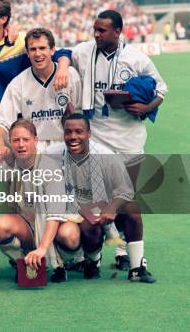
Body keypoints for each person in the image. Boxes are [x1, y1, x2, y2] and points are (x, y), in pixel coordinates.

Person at [72, 10, 167, 269]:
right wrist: (59, 64)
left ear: (117, 32)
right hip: (98, 135)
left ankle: (124, 250)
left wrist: (147, 108)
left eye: (102, 30)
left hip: (129, 138)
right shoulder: (83, 51)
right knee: (100, 198)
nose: (96, 34)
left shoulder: (136, 58)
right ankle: (106, 249)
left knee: (125, 199)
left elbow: (161, 89)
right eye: (95, 29)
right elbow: (62, 56)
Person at [43, 113, 155, 283]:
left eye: (79, 132)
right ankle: (92, 260)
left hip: (104, 208)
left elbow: (126, 190)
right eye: (68, 132)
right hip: (73, 214)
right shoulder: (51, 154)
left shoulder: (106, 156)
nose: (73, 137)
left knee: (132, 208)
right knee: (90, 226)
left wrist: (112, 207)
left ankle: (137, 267)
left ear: (89, 133)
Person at [0, 0, 71, 153]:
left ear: (3, 19)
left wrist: (62, 67)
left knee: (16, 172)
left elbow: (59, 53)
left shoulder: (21, 43)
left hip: (13, 120)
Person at [0, 119, 80, 283]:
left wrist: (43, 248)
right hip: (29, 225)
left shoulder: (49, 168)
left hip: (57, 223)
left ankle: (62, 263)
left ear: (36, 141)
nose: (21, 145)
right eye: (16, 140)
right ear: (10, 143)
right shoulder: (11, 166)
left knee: (70, 236)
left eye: (26, 139)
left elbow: (54, 216)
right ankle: (22, 261)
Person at [0, 28, 81, 152]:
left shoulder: (70, 75)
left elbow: (82, 113)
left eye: (42, 48)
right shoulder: (19, 83)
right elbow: (1, 121)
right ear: (27, 53)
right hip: (35, 148)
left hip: (66, 145)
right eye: (33, 49)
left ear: (52, 50)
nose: (38, 53)